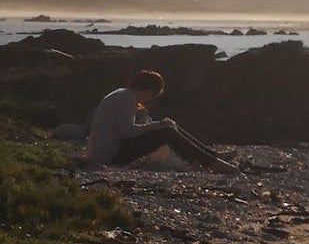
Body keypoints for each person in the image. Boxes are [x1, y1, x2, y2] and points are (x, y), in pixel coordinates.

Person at [84, 70, 238, 172]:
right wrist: (157, 126)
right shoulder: (128, 98)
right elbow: (127, 132)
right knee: (166, 131)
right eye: (151, 96)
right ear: (148, 90)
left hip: (107, 151)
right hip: (109, 155)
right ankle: (213, 162)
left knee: (168, 126)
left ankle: (212, 156)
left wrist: (156, 125)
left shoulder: (122, 94)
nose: (149, 100)